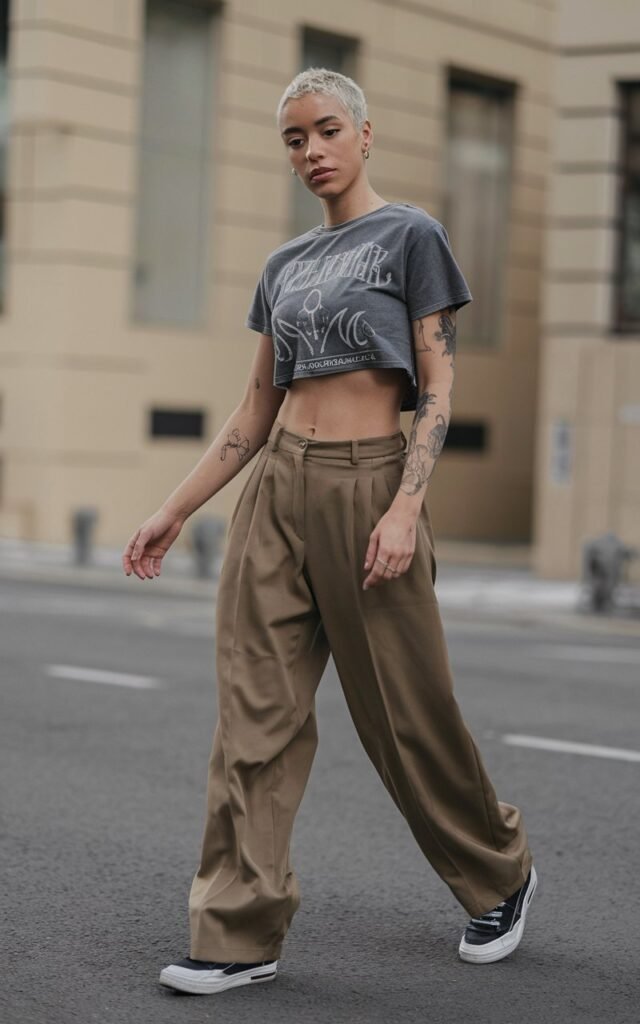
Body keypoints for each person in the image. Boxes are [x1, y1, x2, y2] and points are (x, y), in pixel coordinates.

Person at [122, 67, 537, 998]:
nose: (311, 150)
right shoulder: (284, 267)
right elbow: (255, 406)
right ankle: (237, 931)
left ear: (364, 134)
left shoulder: (412, 236)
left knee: (404, 714)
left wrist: (404, 507)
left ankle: (499, 870)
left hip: (370, 484)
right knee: (253, 718)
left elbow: (437, 387)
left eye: (325, 130)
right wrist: (175, 506)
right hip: (277, 492)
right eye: (294, 139)